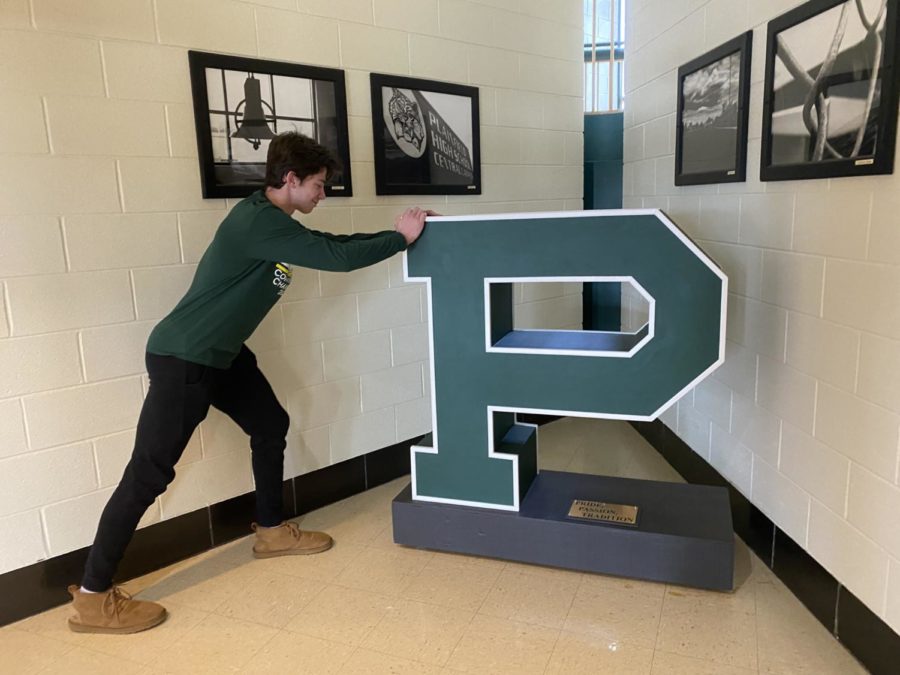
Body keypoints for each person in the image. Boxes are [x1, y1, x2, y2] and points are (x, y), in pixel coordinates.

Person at [67, 132, 431, 634]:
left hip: (221, 354)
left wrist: (395, 238)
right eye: (320, 185)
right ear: (290, 180)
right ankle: (92, 596)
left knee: (269, 423)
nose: (324, 194)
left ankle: (271, 532)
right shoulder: (259, 223)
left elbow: (332, 247)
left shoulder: (274, 221)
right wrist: (401, 238)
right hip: (186, 357)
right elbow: (341, 259)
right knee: (148, 475)